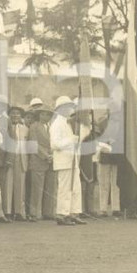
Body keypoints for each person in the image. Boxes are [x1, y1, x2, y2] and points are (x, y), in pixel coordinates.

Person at [51, 96, 84, 226]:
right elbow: (55, 144)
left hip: (72, 161)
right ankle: (62, 214)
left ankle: (74, 213)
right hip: (63, 161)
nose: (70, 109)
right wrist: (71, 140)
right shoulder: (57, 124)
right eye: (67, 106)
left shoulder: (67, 123)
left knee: (76, 188)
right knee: (65, 189)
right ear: (60, 109)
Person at [27, 104, 56, 220]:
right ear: (39, 115)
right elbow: (33, 144)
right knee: (37, 188)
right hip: (38, 160)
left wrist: (53, 155)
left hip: (52, 160)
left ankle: (48, 212)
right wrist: (45, 156)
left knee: (51, 187)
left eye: (48, 114)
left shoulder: (52, 127)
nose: (46, 116)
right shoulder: (34, 126)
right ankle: (34, 212)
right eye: (43, 114)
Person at [5, 105, 30, 221]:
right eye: (13, 113)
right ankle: (8, 211)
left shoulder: (25, 128)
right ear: (9, 115)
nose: (15, 115)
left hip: (22, 158)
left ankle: (19, 212)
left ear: (21, 116)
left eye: (18, 113)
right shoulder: (6, 127)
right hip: (10, 157)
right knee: (8, 185)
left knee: (20, 186)